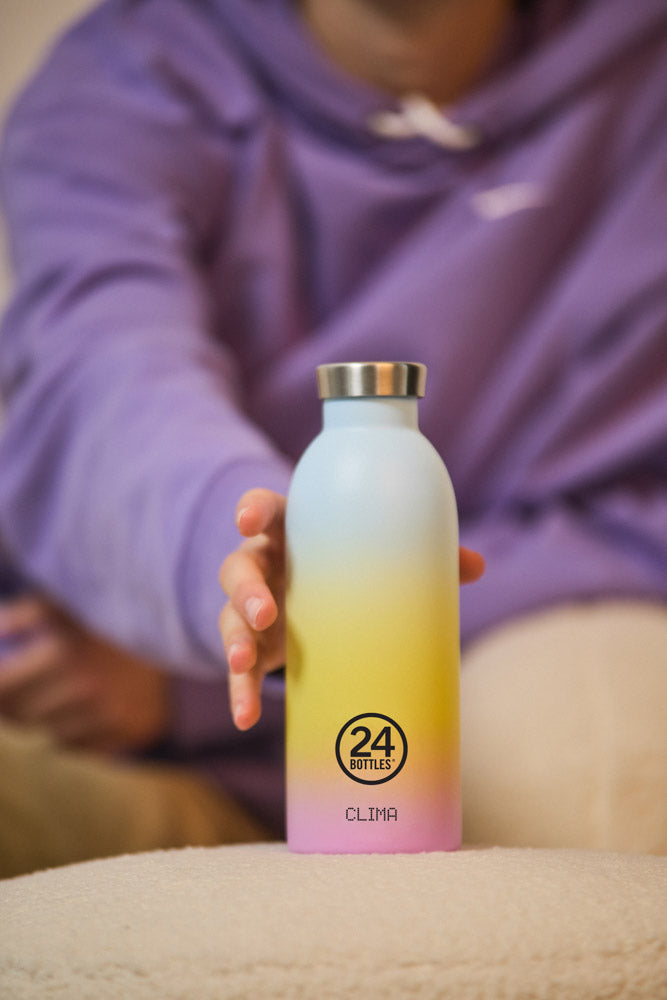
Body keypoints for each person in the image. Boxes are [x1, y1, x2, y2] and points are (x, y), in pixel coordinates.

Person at [0, 0, 666, 872]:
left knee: (595, 763)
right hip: (114, 719)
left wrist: (225, 671)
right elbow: (108, 372)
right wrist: (243, 579)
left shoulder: (642, 82)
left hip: (430, 715)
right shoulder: (132, 72)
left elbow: (637, 525)